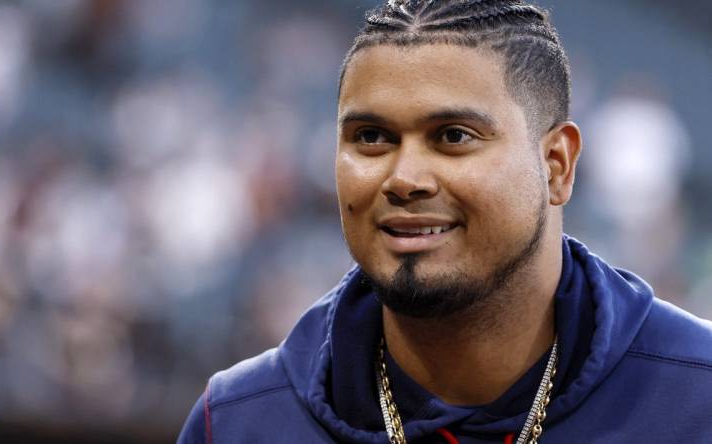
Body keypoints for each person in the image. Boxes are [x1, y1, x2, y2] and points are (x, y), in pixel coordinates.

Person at [178, 1, 712, 442]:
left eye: (453, 136)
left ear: (557, 165)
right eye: (371, 137)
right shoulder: (236, 422)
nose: (405, 178)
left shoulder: (697, 397)